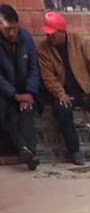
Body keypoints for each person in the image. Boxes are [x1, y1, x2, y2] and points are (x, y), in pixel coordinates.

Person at [37, 11, 90, 165]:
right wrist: (60, 94)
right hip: (64, 94)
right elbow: (48, 77)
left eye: (53, 34)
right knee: (62, 111)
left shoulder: (78, 41)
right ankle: (75, 151)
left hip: (85, 92)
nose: (49, 37)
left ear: (62, 32)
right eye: (48, 34)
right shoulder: (43, 49)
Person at [0, 4, 40, 170]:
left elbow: (34, 68)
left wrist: (29, 93)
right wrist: (15, 95)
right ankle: (26, 150)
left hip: (26, 91)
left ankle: (28, 151)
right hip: (5, 92)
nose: (12, 33)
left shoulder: (26, 39)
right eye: (8, 29)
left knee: (26, 112)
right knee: (8, 114)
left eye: (14, 28)